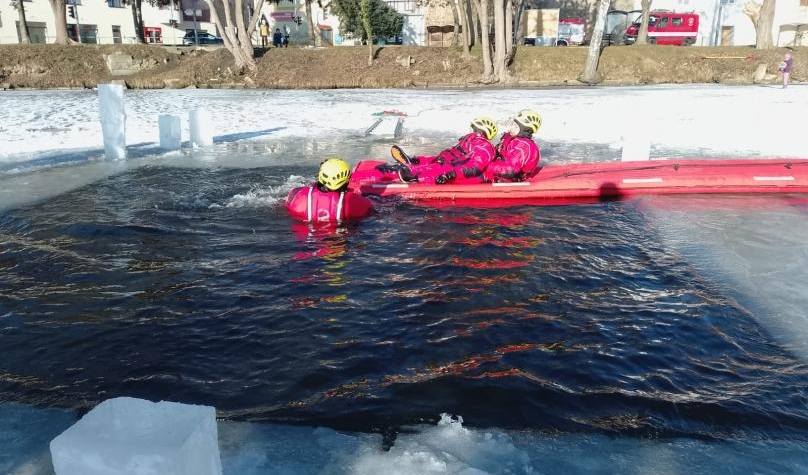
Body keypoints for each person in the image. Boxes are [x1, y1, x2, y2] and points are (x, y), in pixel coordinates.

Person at [391, 116, 498, 185]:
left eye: (472, 127)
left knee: (437, 169)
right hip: (451, 169)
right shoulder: (467, 141)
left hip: (461, 176)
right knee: (436, 164)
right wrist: (420, 160)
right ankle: (413, 165)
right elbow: (447, 157)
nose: (469, 129)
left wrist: (451, 174)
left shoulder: (484, 146)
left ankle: (414, 177)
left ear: (479, 129)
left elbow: (474, 167)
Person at [285, 158, 374, 223]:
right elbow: (371, 212)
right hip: (341, 240)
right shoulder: (356, 202)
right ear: (346, 181)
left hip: (305, 243)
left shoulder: (297, 195)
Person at [482, 109, 542, 183]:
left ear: (524, 129)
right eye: (512, 124)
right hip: (497, 171)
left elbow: (509, 170)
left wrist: (484, 166)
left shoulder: (523, 146)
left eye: (515, 126)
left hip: (506, 179)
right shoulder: (512, 139)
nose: (511, 128)